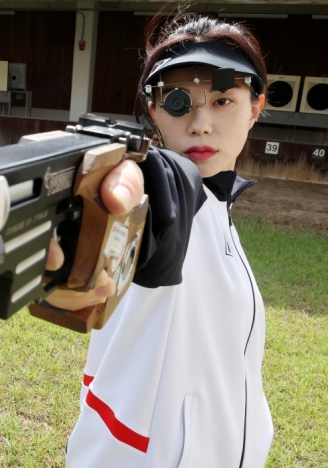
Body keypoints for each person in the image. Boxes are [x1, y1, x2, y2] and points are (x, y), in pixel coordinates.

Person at [45, 14, 273, 467]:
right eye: (179, 103)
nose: (201, 124)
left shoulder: (219, 208)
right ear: (154, 111)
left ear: (255, 108)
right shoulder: (171, 197)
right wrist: (77, 228)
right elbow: (156, 190)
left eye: (224, 100)